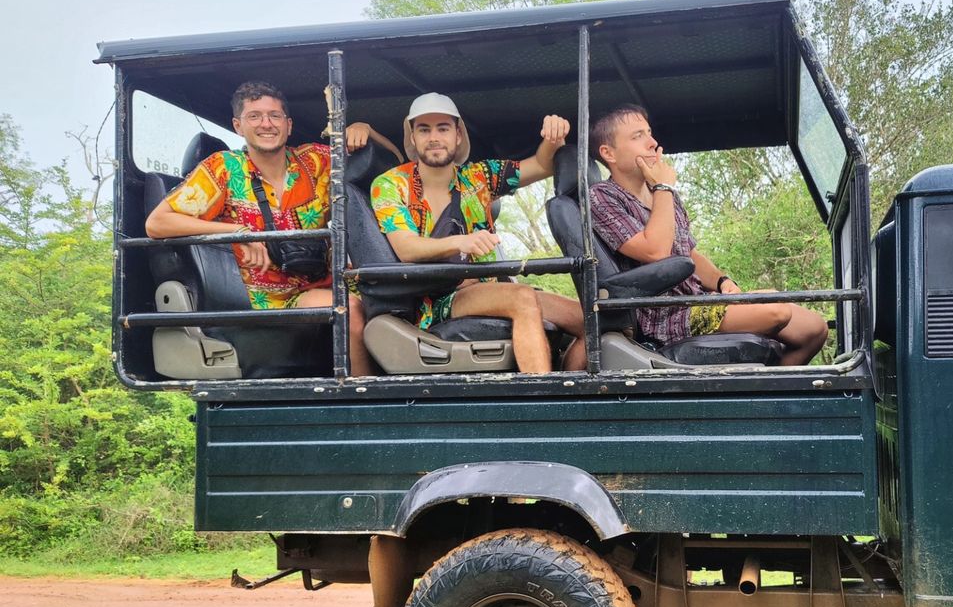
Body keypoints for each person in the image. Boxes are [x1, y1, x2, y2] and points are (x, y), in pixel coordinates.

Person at [145, 80, 394, 377]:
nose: (266, 124)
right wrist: (237, 232)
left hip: (326, 279)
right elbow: (156, 223)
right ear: (238, 125)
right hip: (272, 297)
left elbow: (395, 165)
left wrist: (367, 129)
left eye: (274, 116)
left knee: (391, 298)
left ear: (288, 125)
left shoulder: (314, 161)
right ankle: (363, 401)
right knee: (350, 309)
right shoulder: (224, 169)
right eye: (255, 116)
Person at [588, 105, 828, 366]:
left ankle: (767, 401)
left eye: (649, 133)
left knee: (815, 329)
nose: (652, 143)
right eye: (637, 136)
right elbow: (655, 251)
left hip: (697, 301)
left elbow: (688, 254)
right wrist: (663, 187)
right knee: (776, 310)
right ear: (608, 153)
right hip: (664, 316)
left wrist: (722, 281)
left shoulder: (663, 194)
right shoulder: (603, 197)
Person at [368, 92, 586, 373]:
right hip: (433, 299)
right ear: (413, 137)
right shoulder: (390, 184)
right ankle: (541, 405)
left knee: (587, 319)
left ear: (458, 135)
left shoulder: (478, 177)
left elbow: (542, 165)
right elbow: (406, 248)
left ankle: (571, 394)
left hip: (489, 288)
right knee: (520, 297)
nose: (434, 137)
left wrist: (552, 141)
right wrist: (461, 242)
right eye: (424, 129)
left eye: (442, 128)